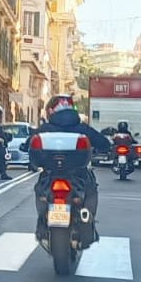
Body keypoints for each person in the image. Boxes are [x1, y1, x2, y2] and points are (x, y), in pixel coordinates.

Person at [31, 94, 113, 247]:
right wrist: (107, 146)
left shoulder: (45, 129)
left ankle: (43, 220)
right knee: (91, 188)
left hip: (50, 175)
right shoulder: (82, 128)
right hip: (78, 175)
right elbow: (102, 142)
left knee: (40, 190)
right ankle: (86, 217)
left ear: (51, 112)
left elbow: (28, 142)